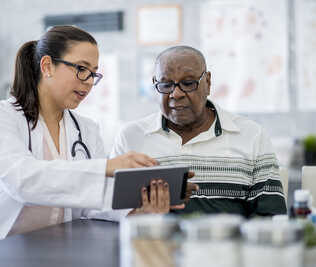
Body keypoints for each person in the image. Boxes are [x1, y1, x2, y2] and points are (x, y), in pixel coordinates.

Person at [0, 26, 183, 239]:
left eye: (93, 73)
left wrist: (138, 210)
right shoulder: (6, 118)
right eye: (81, 69)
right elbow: (22, 180)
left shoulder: (86, 129)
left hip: (62, 248)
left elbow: (92, 202)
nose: (88, 81)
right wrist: (106, 167)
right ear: (47, 66)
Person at [110, 45, 287, 218]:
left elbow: (270, 217)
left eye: (188, 83)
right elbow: (109, 213)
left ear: (208, 82)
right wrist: (140, 214)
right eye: (165, 85)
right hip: (153, 245)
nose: (176, 94)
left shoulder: (251, 135)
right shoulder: (131, 137)